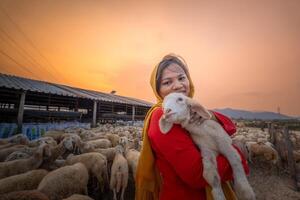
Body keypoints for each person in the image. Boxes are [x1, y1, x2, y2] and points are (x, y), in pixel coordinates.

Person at [135, 54, 249, 200]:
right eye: (167, 82)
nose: (177, 85)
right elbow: (197, 174)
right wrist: (238, 153)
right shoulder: (163, 116)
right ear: (158, 90)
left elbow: (230, 127)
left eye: (182, 78)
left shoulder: (188, 109)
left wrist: (210, 115)